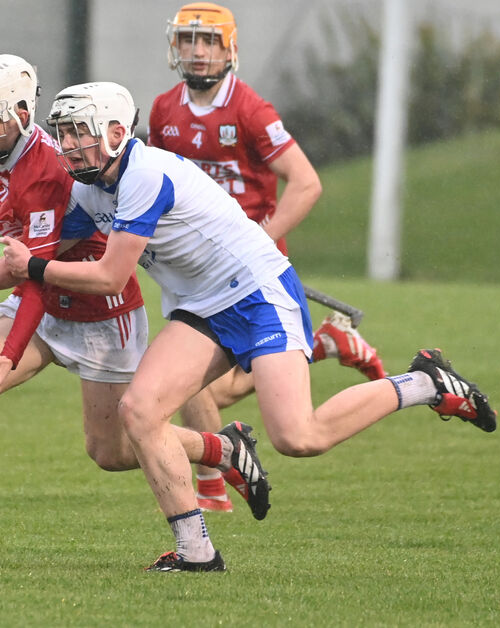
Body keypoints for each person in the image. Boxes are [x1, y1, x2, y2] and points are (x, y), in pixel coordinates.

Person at [0, 81, 496, 572]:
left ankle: (425, 383)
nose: (67, 144)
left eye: (78, 132)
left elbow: (106, 276)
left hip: (258, 294)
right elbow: (38, 254)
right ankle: (196, 552)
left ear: (115, 132)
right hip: (202, 305)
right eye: (63, 133)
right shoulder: (90, 190)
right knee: (140, 411)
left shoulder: (144, 174)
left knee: (299, 437)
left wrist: (33, 267)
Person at [0, 54, 269, 563]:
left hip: (100, 315)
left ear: (21, 114)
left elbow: (35, 274)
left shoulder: (46, 170)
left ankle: (223, 450)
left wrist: (7, 353)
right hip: (40, 307)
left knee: (111, 451)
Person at [147, 2, 387, 512]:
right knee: (203, 388)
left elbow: (306, 183)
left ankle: (212, 487)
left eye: (209, 41)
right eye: (188, 40)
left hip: (252, 274)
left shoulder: (250, 110)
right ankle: (322, 344)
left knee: (199, 390)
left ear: (229, 49)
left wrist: (262, 236)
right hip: (198, 270)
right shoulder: (164, 110)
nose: (197, 50)